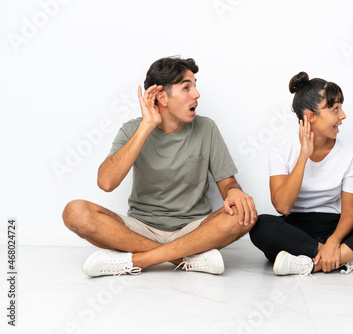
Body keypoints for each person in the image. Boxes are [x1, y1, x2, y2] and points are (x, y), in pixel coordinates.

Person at [63, 56, 257, 277]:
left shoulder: (207, 128)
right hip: (140, 228)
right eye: (187, 87)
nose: (196, 94)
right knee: (75, 212)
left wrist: (235, 193)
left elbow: (228, 182)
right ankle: (185, 259)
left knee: (244, 214)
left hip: (194, 230)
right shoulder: (132, 129)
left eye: (195, 86)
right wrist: (147, 126)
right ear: (162, 98)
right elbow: (106, 182)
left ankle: (139, 260)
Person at [249, 72, 353, 276]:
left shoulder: (348, 153)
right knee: (260, 225)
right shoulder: (282, 149)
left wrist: (334, 242)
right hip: (296, 231)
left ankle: (311, 263)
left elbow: (350, 213)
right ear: (311, 116)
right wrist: (303, 157)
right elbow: (282, 206)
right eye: (335, 109)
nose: (342, 116)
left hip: (336, 230)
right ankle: (350, 259)